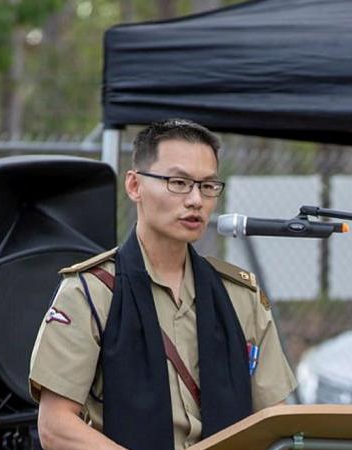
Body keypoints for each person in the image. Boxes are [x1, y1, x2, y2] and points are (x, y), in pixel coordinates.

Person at [29, 119, 297, 450]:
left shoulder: (239, 296)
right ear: (134, 185)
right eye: (179, 182)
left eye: (208, 186)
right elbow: (56, 427)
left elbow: (273, 419)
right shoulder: (92, 292)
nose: (196, 200)